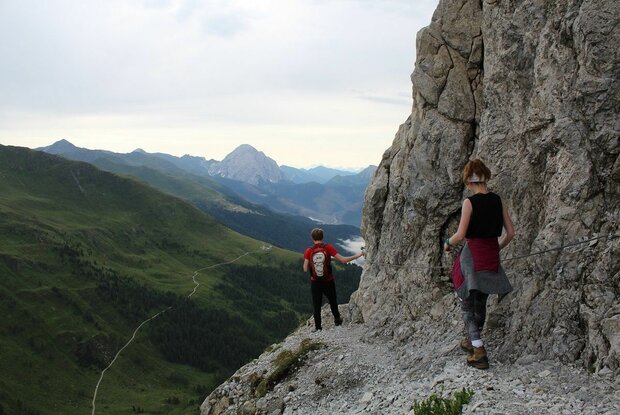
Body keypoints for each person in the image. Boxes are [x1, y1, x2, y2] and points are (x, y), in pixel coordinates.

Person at [444, 159, 515, 369]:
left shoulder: (470, 202)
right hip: (490, 255)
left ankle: (478, 350)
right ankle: (472, 340)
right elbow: (511, 233)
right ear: (486, 177)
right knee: (481, 301)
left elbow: (460, 235)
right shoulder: (498, 200)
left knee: (467, 303)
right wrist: (497, 248)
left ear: (468, 180)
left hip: (472, 255)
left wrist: (447, 244)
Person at [303, 228, 364, 332]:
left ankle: (318, 327)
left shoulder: (309, 251)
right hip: (328, 281)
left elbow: (305, 268)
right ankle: (337, 320)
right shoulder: (328, 248)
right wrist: (359, 254)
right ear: (322, 237)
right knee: (332, 301)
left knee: (316, 304)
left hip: (315, 282)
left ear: (312, 238)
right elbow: (343, 260)